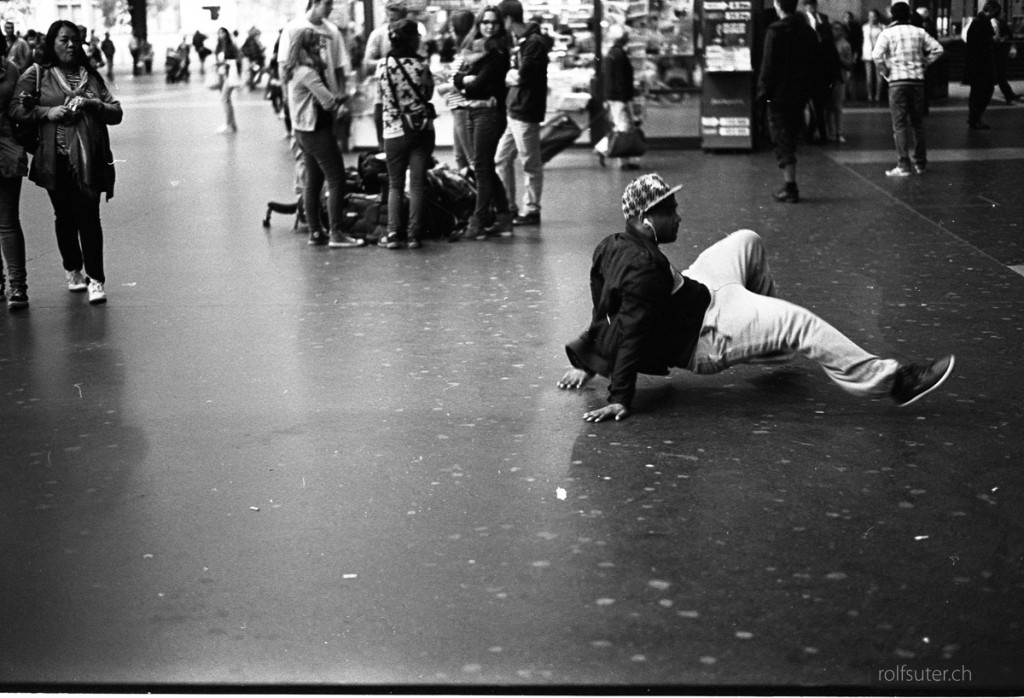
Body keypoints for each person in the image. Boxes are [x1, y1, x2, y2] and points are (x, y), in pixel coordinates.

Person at [557, 173, 956, 423]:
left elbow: (604, 308)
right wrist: (620, 395)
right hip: (707, 331)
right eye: (670, 211)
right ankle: (893, 381)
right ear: (647, 220)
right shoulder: (641, 270)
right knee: (800, 322)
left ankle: (770, 350)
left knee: (747, 239)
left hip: (699, 288)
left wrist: (588, 361)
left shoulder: (611, 244)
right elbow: (626, 328)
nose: (679, 217)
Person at [9, 20, 122, 305]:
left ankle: (96, 279)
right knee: (65, 216)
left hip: (91, 160)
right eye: (63, 40)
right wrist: (48, 112)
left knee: (90, 217)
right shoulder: (37, 74)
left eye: (74, 40)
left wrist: (93, 105)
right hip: (55, 159)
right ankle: (73, 269)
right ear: (51, 43)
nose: (71, 45)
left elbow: (116, 111)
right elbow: (16, 109)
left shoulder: (91, 77)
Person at [284, 27, 363, 249]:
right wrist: (344, 97)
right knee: (336, 178)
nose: (322, 48)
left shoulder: (294, 71)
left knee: (313, 181)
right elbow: (328, 102)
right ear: (306, 48)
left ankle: (316, 231)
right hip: (316, 131)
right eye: (317, 44)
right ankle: (336, 233)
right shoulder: (307, 73)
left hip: (302, 131)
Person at [451, 6, 513, 240]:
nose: (489, 26)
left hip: (489, 114)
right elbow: (459, 79)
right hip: (473, 111)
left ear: (500, 26)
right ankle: (504, 216)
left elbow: (476, 84)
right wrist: (464, 80)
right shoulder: (472, 50)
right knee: (483, 166)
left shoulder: (498, 53)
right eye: (485, 22)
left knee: (481, 166)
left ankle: (478, 220)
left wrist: (463, 81)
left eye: (494, 23)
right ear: (478, 24)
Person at [376, 19, 434, 250]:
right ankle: (414, 235)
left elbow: (382, 95)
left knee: (395, 183)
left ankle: (392, 234)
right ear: (413, 39)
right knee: (417, 184)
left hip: (393, 129)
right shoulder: (421, 66)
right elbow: (428, 94)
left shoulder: (382, 66)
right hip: (420, 129)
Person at [757, 0, 819, 203]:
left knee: (781, 140)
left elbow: (768, 66)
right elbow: (815, 64)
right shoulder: (808, 32)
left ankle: (790, 186)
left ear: (777, 6)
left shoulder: (774, 32)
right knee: (790, 136)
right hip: (800, 94)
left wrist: (762, 93)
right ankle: (789, 184)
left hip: (778, 96)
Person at [872, 1, 943, 176]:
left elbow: (876, 55)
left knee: (900, 124)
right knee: (918, 123)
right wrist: (925, 62)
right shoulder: (919, 32)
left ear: (893, 16)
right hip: (917, 81)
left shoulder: (887, 33)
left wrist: (885, 71)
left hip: (897, 81)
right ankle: (921, 163)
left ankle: (903, 164)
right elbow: (938, 49)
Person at [495, 0, 549, 227]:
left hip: (525, 111)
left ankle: (531, 209)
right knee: (501, 159)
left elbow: (520, 76)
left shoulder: (533, 43)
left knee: (530, 163)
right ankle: (509, 204)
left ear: (508, 19)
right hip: (516, 109)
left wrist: (508, 74)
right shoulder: (526, 42)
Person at [0, 33, 29, 310]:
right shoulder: (9, 69)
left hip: (6, 151)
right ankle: (17, 287)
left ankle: (14, 284)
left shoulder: (10, 70)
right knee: (8, 221)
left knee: (7, 221)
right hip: (8, 149)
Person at [364, 0, 416, 149]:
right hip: (383, 95)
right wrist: (389, 63)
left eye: (398, 20)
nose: (394, 24)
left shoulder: (412, 35)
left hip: (409, 97)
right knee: (385, 145)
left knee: (410, 143)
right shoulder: (378, 35)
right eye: (392, 20)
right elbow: (367, 65)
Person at [437, 9, 476, 173]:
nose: (451, 34)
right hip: (458, 108)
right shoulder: (463, 52)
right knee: (461, 156)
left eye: (453, 30)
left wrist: (445, 87)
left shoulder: (470, 53)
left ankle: (482, 195)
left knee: (470, 158)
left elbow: (468, 81)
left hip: (463, 109)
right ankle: (471, 193)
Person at [601, 24, 641, 171]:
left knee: (620, 126)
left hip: (615, 96)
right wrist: (624, 99)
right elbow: (620, 78)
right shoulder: (619, 54)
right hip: (619, 97)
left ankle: (607, 151)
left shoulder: (612, 53)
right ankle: (623, 160)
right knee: (623, 127)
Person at [801, 0, 840, 144]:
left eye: (813, 5)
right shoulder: (803, 20)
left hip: (819, 71)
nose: (812, 8)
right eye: (809, 5)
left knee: (817, 105)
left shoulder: (822, 19)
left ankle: (813, 134)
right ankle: (817, 134)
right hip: (814, 69)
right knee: (816, 106)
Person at [964, 1, 1001, 130]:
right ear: (991, 10)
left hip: (976, 64)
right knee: (984, 91)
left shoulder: (977, 21)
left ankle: (974, 118)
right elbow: (985, 43)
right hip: (982, 65)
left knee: (977, 92)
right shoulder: (982, 22)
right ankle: (975, 118)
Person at [828, 21, 854, 143]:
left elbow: (849, 64)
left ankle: (838, 132)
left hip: (839, 77)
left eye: (838, 29)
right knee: (829, 106)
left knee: (837, 106)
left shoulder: (845, 45)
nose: (835, 31)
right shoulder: (829, 43)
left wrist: (838, 59)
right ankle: (831, 131)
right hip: (830, 77)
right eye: (833, 29)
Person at [214, 27, 240, 133]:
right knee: (227, 99)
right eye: (219, 33)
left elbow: (238, 59)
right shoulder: (219, 46)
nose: (221, 35)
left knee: (224, 99)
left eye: (223, 33)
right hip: (223, 74)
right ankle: (232, 124)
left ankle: (229, 125)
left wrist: (226, 62)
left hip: (230, 74)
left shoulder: (231, 46)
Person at [992, 7, 1021, 104]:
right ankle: (1009, 95)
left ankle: (1009, 95)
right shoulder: (1000, 22)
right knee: (1000, 75)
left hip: (997, 52)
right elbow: (1009, 34)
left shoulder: (993, 22)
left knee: (999, 75)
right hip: (1001, 51)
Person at [862, 9, 886, 103]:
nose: (872, 18)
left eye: (874, 16)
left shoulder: (883, 27)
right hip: (867, 53)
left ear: (877, 17)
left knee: (879, 76)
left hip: (879, 53)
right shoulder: (865, 27)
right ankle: (869, 96)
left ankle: (877, 96)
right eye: (870, 16)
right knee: (869, 76)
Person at [842, 11, 863, 101]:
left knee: (851, 74)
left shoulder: (855, 28)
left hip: (852, 52)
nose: (848, 19)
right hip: (843, 52)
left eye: (849, 17)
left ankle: (850, 93)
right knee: (844, 74)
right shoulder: (841, 27)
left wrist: (856, 53)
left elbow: (858, 41)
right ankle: (845, 93)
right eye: (846, 17)